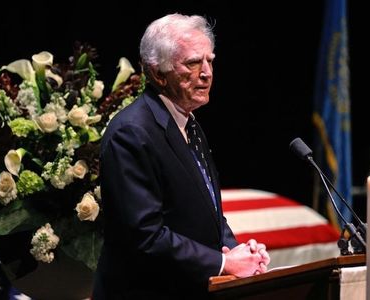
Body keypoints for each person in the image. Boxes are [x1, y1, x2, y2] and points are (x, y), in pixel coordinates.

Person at [92, 13, 270, 299]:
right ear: (158, 73)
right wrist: (224, 263)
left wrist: (237, 252)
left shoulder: (189, 122)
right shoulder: (131, 132)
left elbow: (208, 211)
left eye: (210, 60)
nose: (207, 72)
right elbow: (145, 236)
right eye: (192, 63)